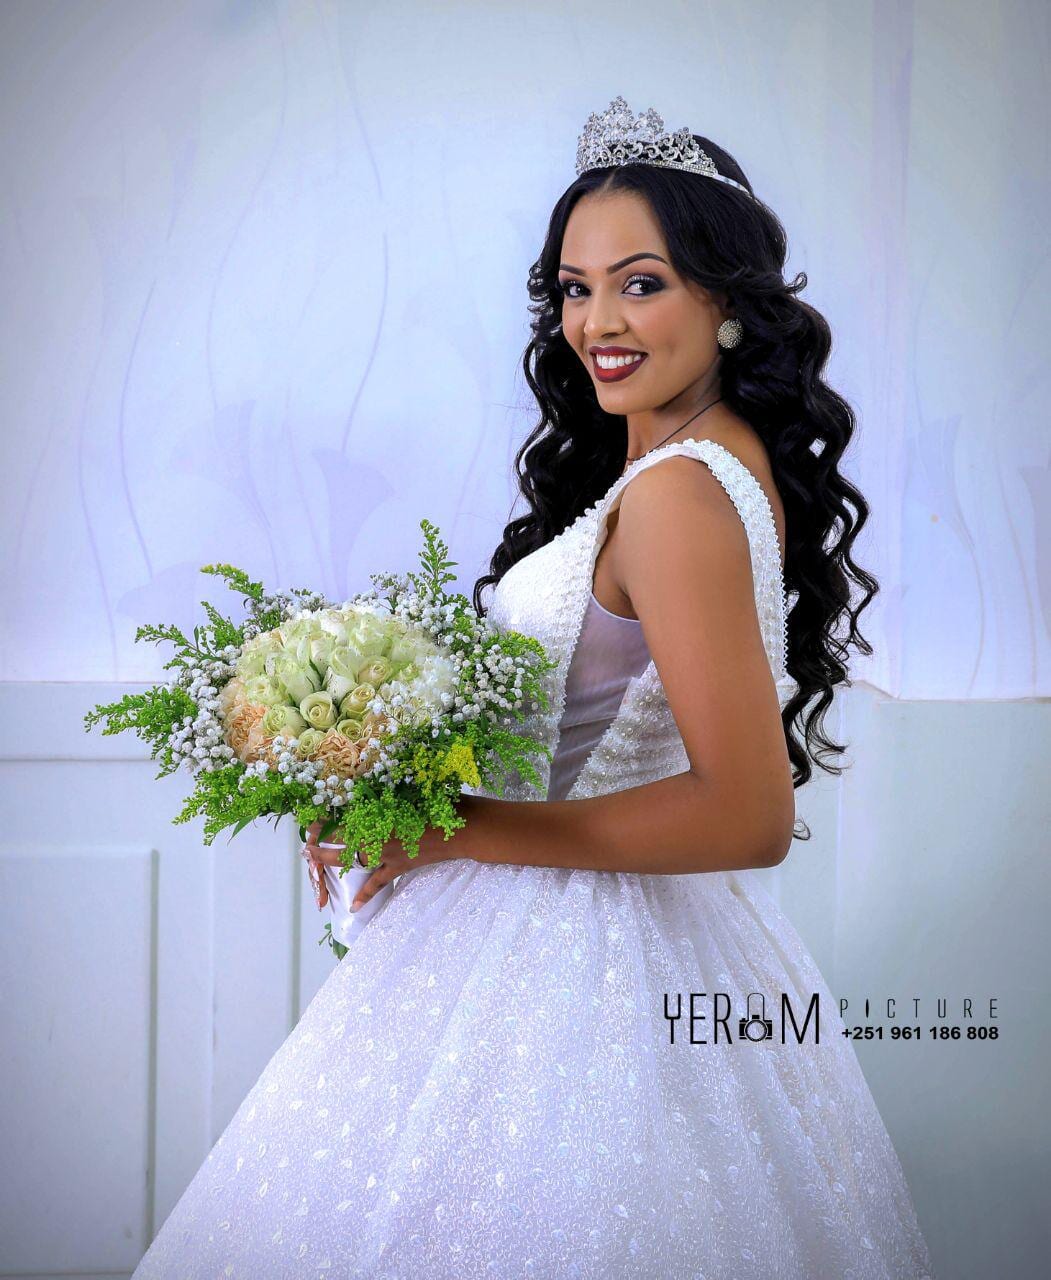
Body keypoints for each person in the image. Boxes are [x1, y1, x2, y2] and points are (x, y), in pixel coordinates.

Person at [131, 96, 935, 1279]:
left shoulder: (677, 494)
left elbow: (746, 812)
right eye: (573, 287)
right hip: (628, 936)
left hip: (577, 965)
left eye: (640, 283)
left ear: (726, 301)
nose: (596, 322)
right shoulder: (698, 467)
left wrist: (453, 826)